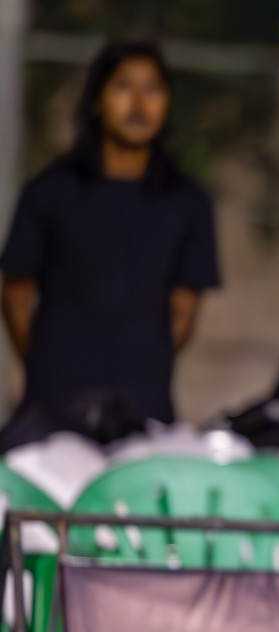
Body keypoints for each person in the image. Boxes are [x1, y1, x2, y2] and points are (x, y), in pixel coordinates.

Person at [0, 40, 219, 452]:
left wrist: (138, 357)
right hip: (49, 418)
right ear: (97, 100)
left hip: (146, 418)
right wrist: (49, 363)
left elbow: (185, 309)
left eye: (152, 89)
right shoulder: (49, 192)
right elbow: (15, 294)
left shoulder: (188, 203)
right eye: (124, 87)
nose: (138, 103)